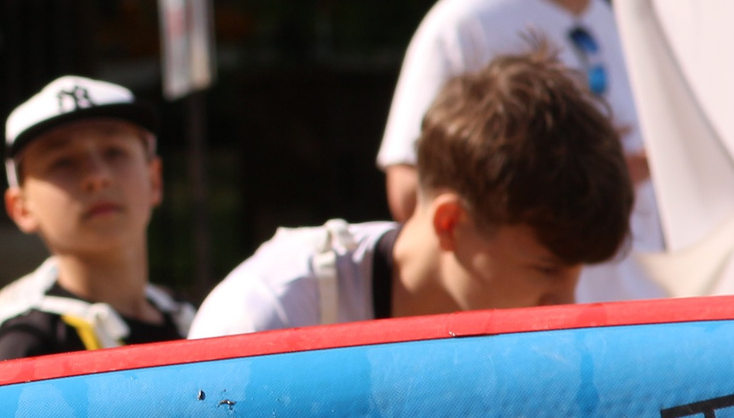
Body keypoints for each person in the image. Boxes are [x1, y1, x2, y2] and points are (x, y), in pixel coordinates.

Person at [375, 0, 660, 301]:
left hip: (635, 323)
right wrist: (579, 181)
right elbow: (409, 192)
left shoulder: (617, 21)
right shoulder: (467, 21)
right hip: (537, 336)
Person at [189, 52, 633, 337]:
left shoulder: (527, 341)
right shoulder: (267, 321)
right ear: (450, 224)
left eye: (575, 274)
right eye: (546, 269)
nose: (566, 305)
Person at [0, 75, 193, 363]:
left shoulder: (191, 316)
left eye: (114, 152)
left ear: (154, 180)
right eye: (63, 162)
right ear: (21, 207)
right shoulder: (24, 347)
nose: (97, 177)